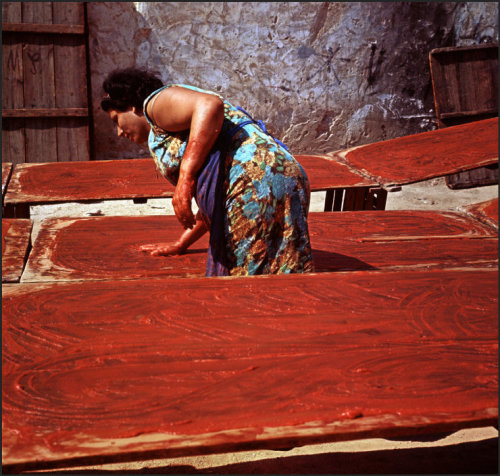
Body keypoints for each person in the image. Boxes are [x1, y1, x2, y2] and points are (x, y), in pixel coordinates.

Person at [101, 68, 313, 276]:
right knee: (282, 273)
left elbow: (210, 104)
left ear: (130, 106)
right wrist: (181, 243)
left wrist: (185, 178)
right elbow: (218, 197)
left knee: (248, 285)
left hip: (254, 182)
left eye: (116, 120)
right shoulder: (177, 124)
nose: (119, 132)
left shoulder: (153, 104)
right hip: (282, 175)